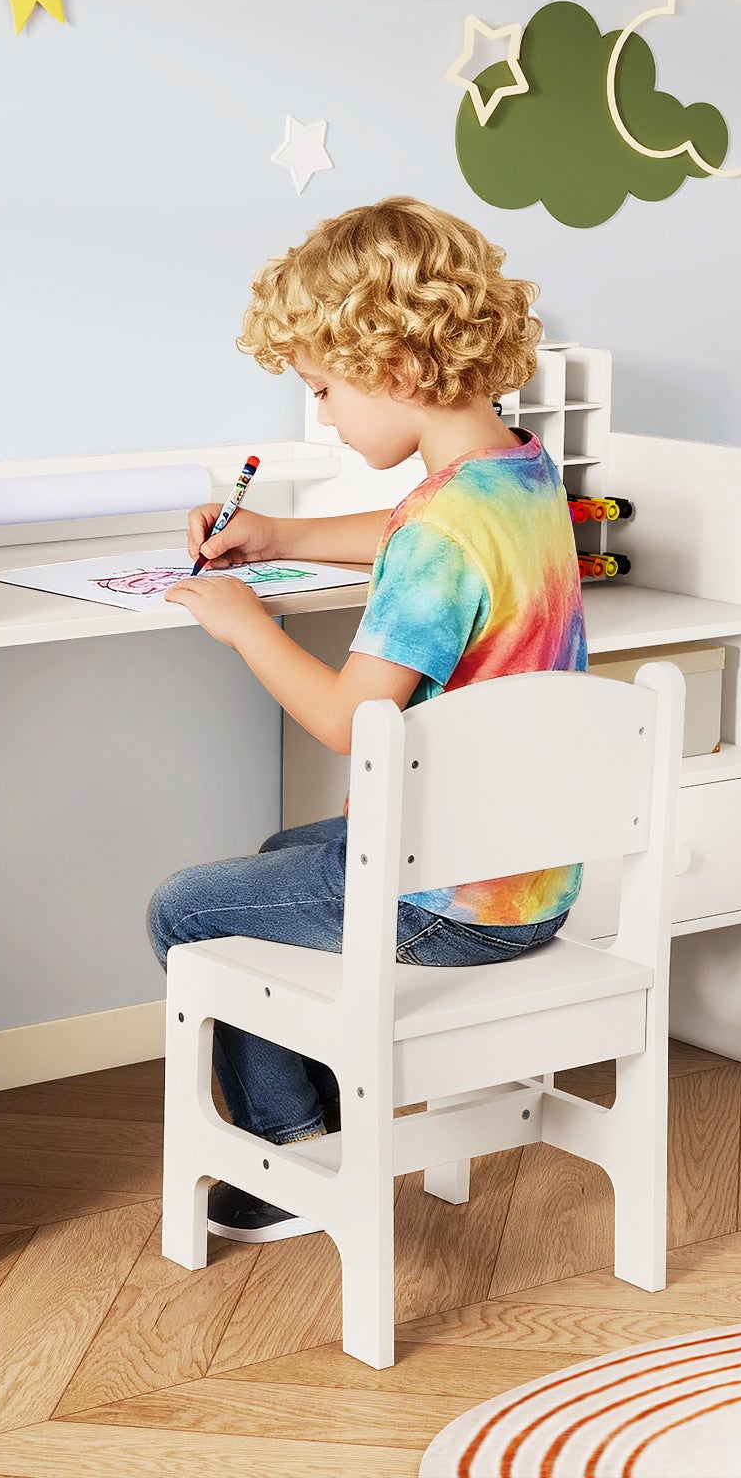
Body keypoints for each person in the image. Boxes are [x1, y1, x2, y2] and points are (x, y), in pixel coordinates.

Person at [148, 195, 587, 1243]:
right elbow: (406, 532)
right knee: (277, 852)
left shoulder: (437, 529)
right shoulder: (517, 475)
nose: (325, 419)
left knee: (186, 909)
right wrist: (279, 532)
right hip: (533, 877)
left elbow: (350, 720)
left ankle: (293, 1159)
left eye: (325, 390)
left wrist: (244, 623)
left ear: (395, 368)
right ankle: (317, 1125)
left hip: (446, 899)